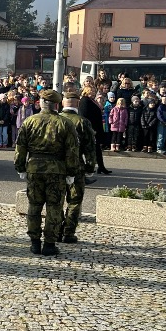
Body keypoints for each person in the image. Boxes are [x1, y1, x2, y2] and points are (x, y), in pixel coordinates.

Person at [14, 89, 80, 256]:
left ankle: (35, 242)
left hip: (34, 168)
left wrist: (20, 167)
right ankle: (49, 244)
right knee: (54, 207)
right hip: (56, 170)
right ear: (57, 105)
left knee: (34, 206)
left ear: (41, 103)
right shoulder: (65, 123)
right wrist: (72, 172)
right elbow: (72, 151)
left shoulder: (29, 121)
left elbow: (20, 147)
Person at [58, 90, 96, 245]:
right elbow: (90, 148)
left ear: (62, 103)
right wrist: (90, 167)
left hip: (57, 166)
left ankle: (56, 230)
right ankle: (68, 232)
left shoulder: (56, 120)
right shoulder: (82, 122)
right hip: (76, 166)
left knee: (56, 200)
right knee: (74, 200)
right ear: (78, 103)